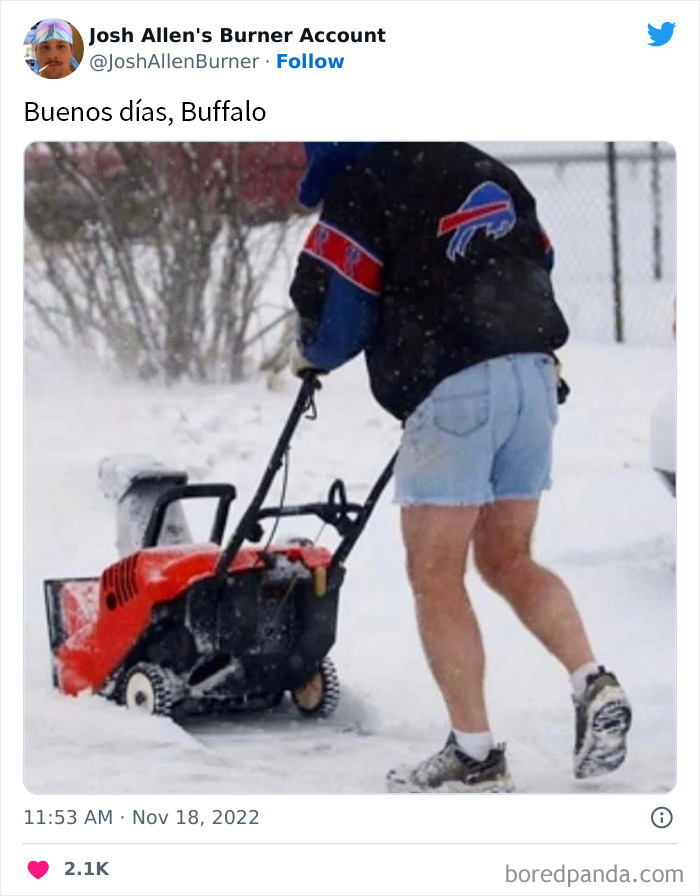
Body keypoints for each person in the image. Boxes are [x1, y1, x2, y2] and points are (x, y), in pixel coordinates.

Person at [288, 142, 632, 793]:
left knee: (434, 571)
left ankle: (473, 754)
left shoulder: (364, 176)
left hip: (454, 384)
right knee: (507, 558)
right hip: (534, 377)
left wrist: (312, 352)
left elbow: (340, 305)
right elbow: (540, 259)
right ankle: (593, 682)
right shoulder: (487, 168)